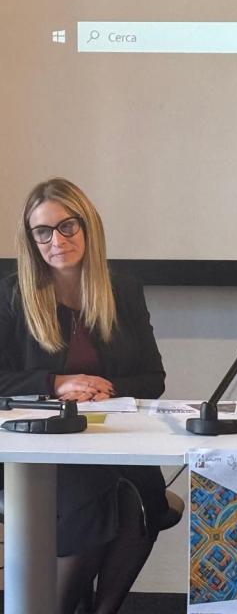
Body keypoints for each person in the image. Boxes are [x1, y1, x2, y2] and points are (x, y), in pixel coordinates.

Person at [0, 178, 173, 614]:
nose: (56, 241)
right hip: (39, 448)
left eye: (67, 227)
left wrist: (103, 390)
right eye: (43, 232)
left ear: (88, 227)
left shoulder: (124, 291)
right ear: (31, 239)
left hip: (110, 438)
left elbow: (153, 377)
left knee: (139, 504)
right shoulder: (13, 296)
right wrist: (54, 384)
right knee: (103, 499)